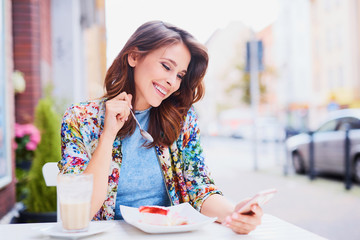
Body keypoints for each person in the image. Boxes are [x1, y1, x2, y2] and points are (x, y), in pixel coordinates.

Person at [59, 20, 263, 234]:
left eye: (180, 76)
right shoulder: (80, 118)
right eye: (166, 66)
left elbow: (199, 187)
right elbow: (80, 210)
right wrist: (108, 134)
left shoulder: (182, 119)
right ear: (134, 56)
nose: (172, 82)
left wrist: (234, 213)